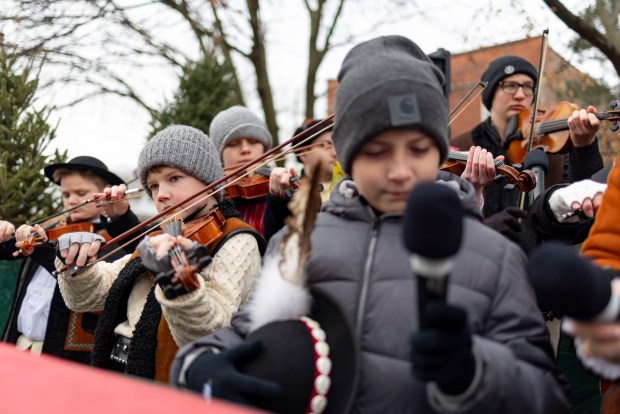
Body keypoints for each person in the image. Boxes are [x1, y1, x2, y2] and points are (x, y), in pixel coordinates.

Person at [170, 36, 569, 413]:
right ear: (347, 153)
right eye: (377, 152)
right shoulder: (301, 243)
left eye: (418, 149)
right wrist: (200, 364)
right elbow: (245, 332)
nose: (399, 171)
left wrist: (477, 371)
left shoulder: (492, 254)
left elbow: (547, 393)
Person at [54, 125, 265, 382]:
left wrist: (179, 284)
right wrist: (78, 263)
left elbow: (210, 333)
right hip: (119, 371)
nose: (161, 195)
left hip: (170, 382)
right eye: (153, 186)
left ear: (209, 181)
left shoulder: (237, 239)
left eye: (174, 178)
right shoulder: (160, 235)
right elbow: (91, 295)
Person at [451, 55, 603, 247]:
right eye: (510, 85)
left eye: (528, 86)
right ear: (490, 93)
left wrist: (584, 147)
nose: (521, 95)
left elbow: (585, 219)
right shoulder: (462, 144)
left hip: (543, 267)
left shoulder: (553, 150)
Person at [0, 156, 139, 364]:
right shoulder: (50, 226)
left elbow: (91, 287)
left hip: (65, 358)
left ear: (105, 193)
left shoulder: (115, 237)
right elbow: (9, 252)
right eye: (66, 194)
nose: (72, 200)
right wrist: (5, 234)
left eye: (81, 193)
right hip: (21, 345)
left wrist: (44, 251)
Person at [263, 118, 340, 242]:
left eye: (337, 144)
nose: (335, 153)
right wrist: (277, 201)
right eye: (325, 145)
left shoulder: (350, 187)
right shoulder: (291, 193)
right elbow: (275, 243)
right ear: (304, 154)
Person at [209, 106, 273, 235]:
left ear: (265, 152)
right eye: (233, 143)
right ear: (218, 156)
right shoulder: (209, 201)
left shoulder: (280, 191)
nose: (245, 149)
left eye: (253, 141)